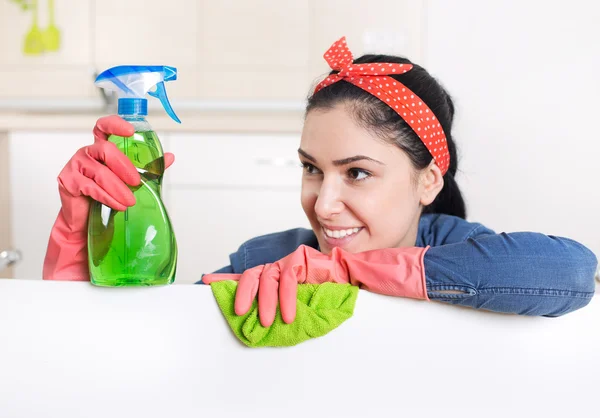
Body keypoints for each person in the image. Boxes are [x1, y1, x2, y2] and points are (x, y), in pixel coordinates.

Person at [43, 37, 598, 327]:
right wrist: (79, 235)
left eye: (357, 172)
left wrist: (339, 269)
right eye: (312, 168)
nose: (324, 205)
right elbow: (140, 353)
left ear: (428, 179)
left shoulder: (466, 250)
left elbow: (571, 272)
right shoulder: (266, 260)